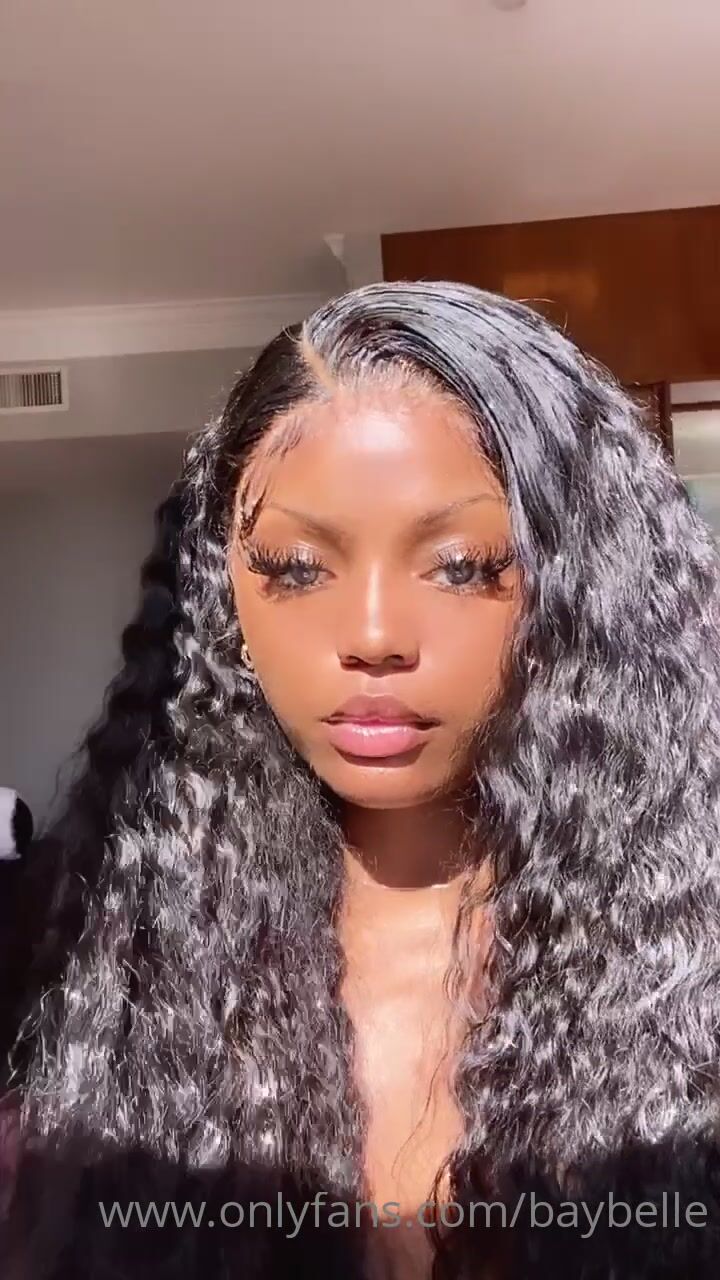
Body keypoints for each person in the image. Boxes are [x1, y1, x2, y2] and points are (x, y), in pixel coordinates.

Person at [2, 280, 720, 1280]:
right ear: (224, 601)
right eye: (297, 568)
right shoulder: (102, 964)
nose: (374, 634)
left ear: (583, 591)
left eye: (461, 565)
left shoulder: (692, 962)